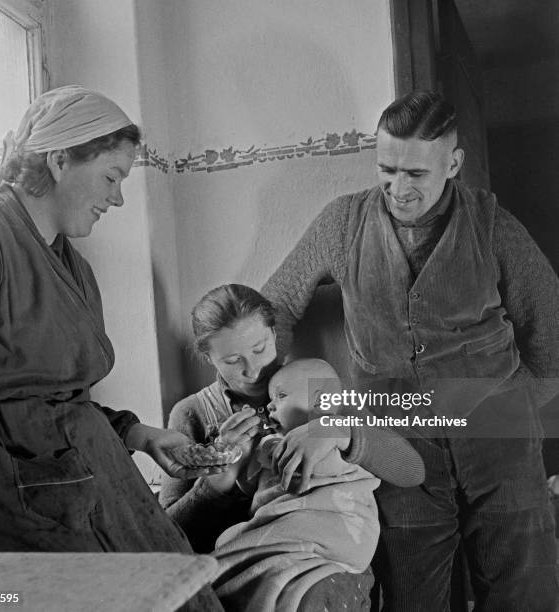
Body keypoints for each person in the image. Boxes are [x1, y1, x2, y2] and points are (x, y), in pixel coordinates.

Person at [262, 90, 559, 611]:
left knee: (524, 592)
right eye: (387, 169)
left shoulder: (494, 226)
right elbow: (275, 308)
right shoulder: (341, 224)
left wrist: (512, 411)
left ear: (453, 164)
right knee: (412, 594)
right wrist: (283, 394)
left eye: (416, 174)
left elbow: (551, 332)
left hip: (501, 441)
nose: (398, 189)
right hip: (396, 442)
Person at [0, 84, 225, 611]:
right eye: (111, 177)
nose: (117, 198)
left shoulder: (72, 265)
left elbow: (55, 397)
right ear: (59, 160)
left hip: (92, 483)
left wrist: (137, 433)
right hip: (14, 509)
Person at [160, 283, 424, 609]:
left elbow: (412, 471)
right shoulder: (192, 414)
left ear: (273, 333)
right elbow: (165, 539)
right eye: (232, 360)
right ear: (208, 356)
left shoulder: (317, 386)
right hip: (242, 570)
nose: (252, 369)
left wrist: (337, 429)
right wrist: (216, 487)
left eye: (259, 349)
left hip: (327, 561)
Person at [212, 358, 381, 612]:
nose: (269, 406)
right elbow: (253, 488)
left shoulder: (336, 437)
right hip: (284, 534)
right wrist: (243, 455)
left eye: (281, 396)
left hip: (328, 527)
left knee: (237, 554)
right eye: (270, 399)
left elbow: (334, 472)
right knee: (258, 566)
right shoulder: (268, 444)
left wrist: (270, 449)